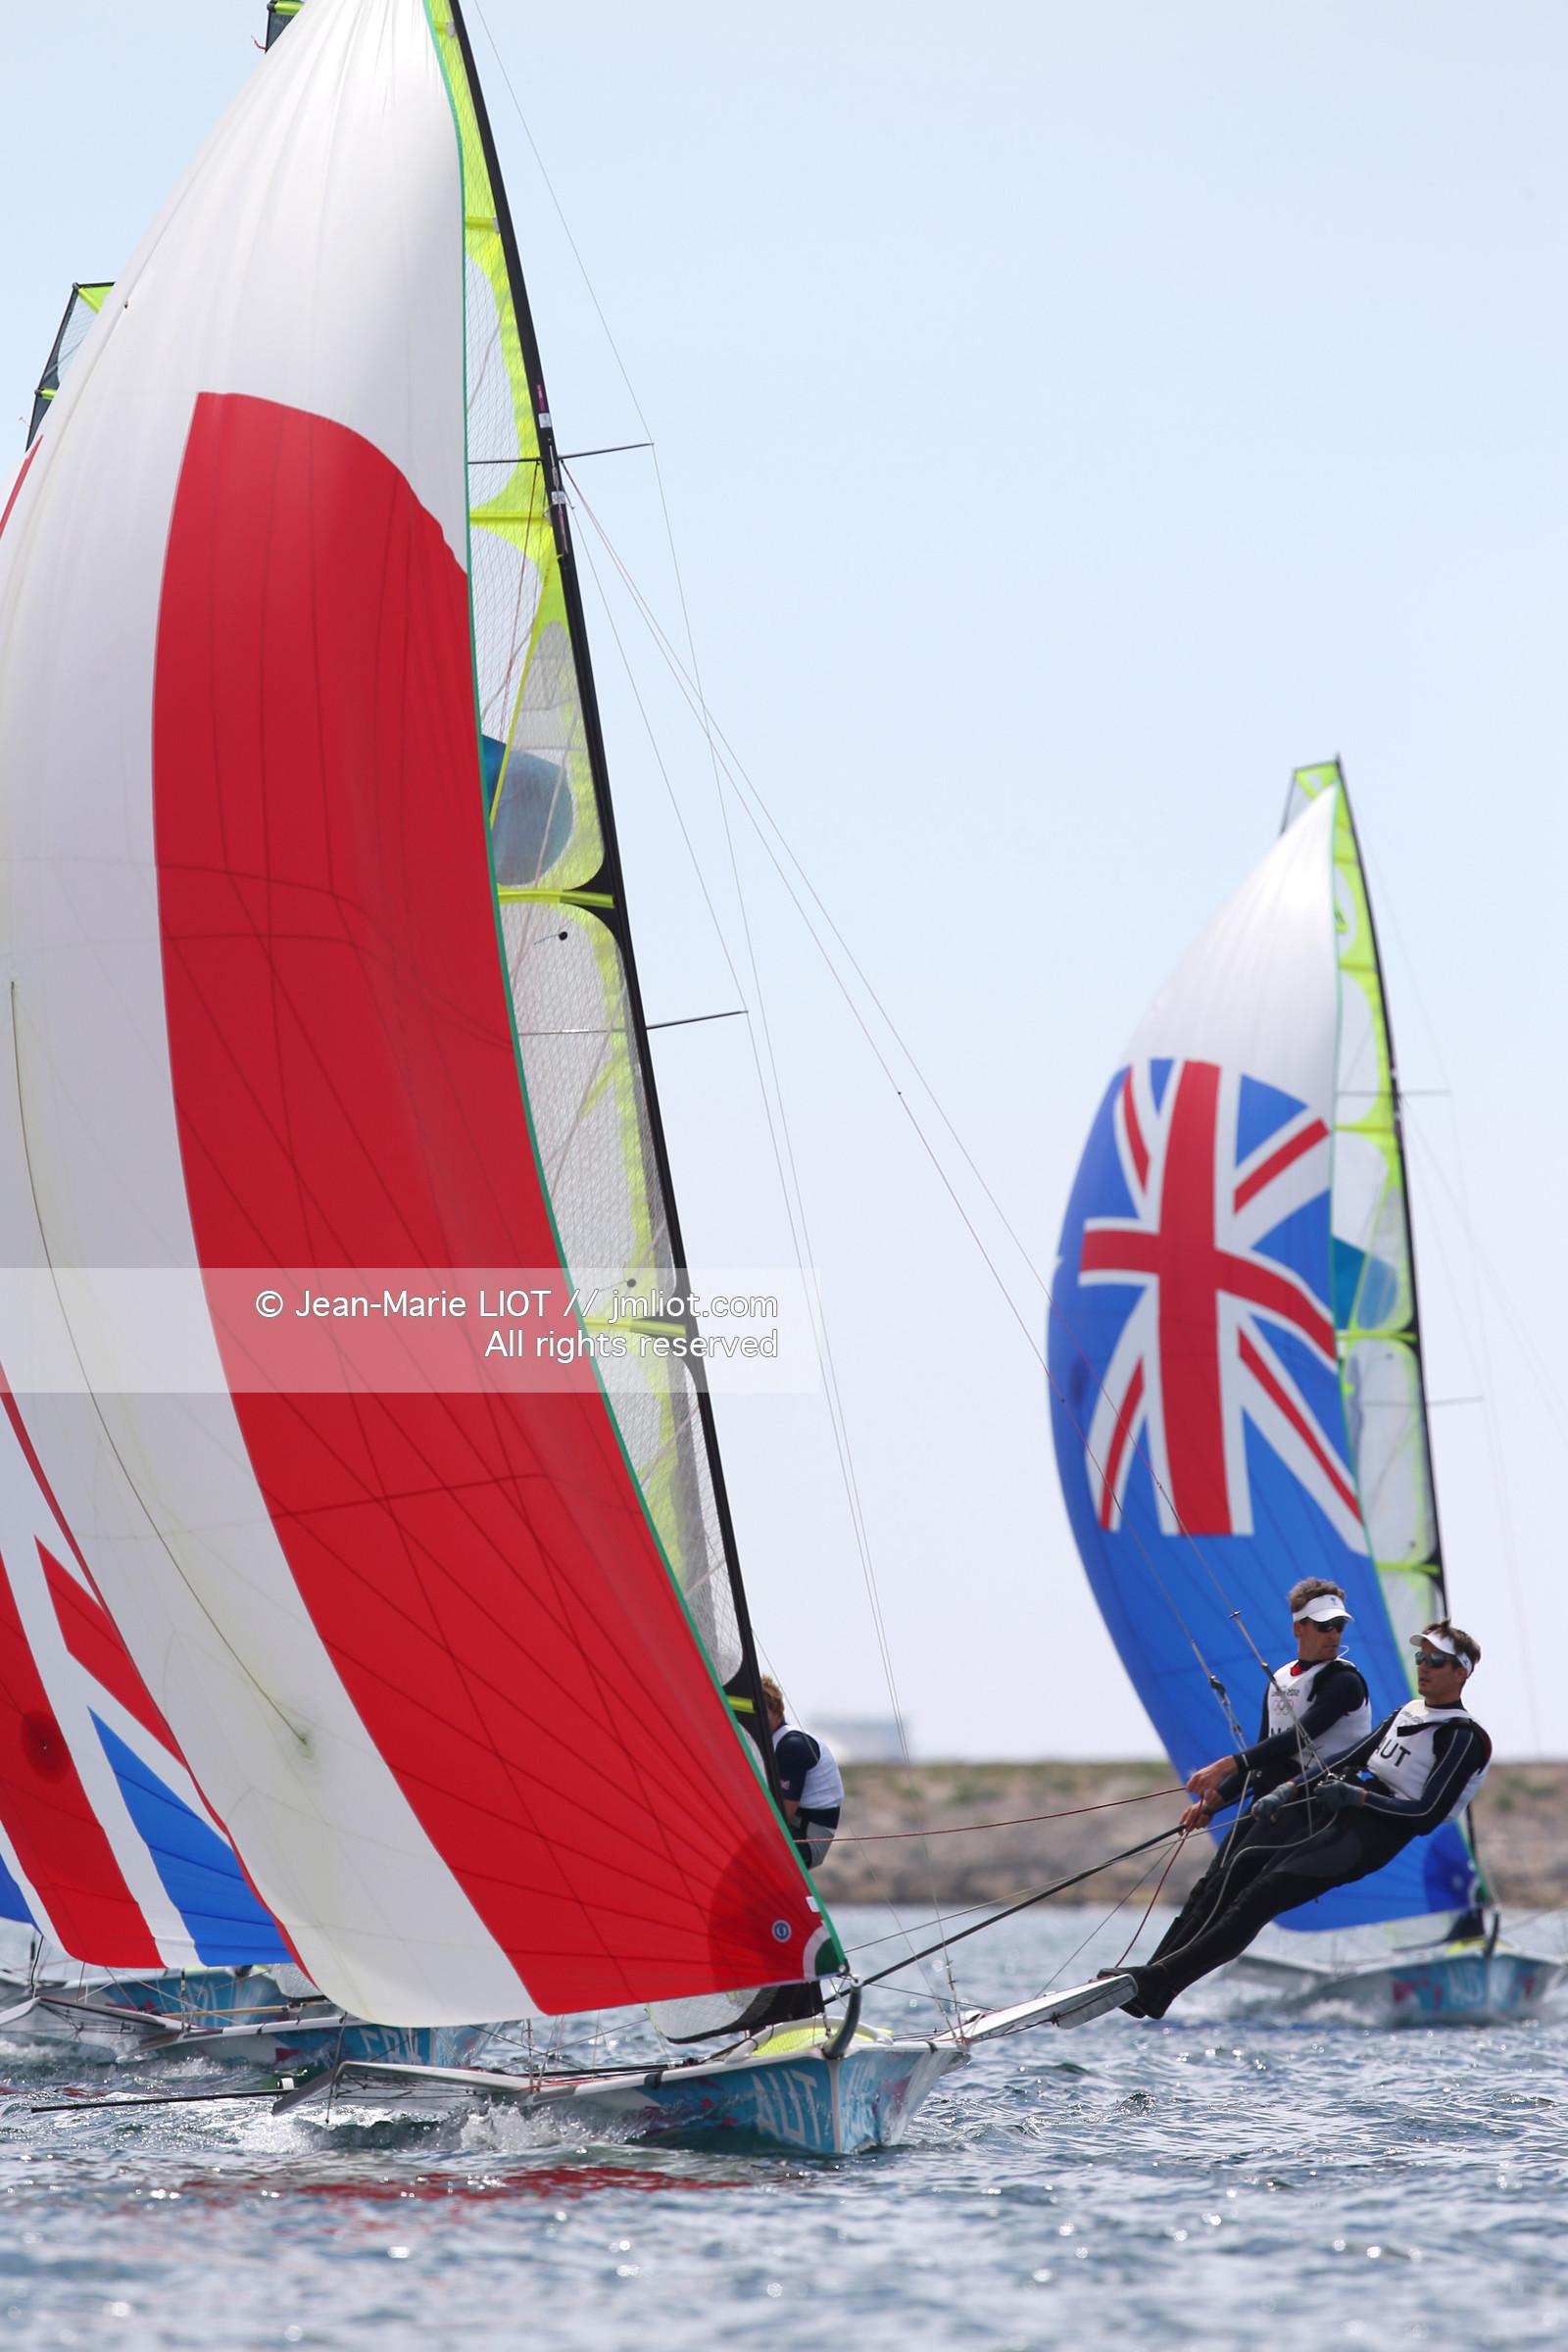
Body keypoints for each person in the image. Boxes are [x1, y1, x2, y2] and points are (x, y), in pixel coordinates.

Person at [1116, 1621, 1492, 2020]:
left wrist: (1357, 1796)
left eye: (1436, 1660)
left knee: (1259, 1900)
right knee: (1239, 1880)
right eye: (1421, 1656)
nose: (1424, 1666)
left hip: (1371, 1837)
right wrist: (1290, 1789)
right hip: (1344, 1813)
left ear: (1461, 1672)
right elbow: (1348, 1757)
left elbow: (1426, 1814)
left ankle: (1160, 1984)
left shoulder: (1462, 1737)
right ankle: (1156, 1979)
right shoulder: (1406, 1712)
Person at [760, 1676, 844, 1868]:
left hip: (807, 1837)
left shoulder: (792, 1746)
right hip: (793, 1827)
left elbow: (781, 1817)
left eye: (763, 1712)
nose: (758, 1719)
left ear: (777, 1713)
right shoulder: (768, 1743)